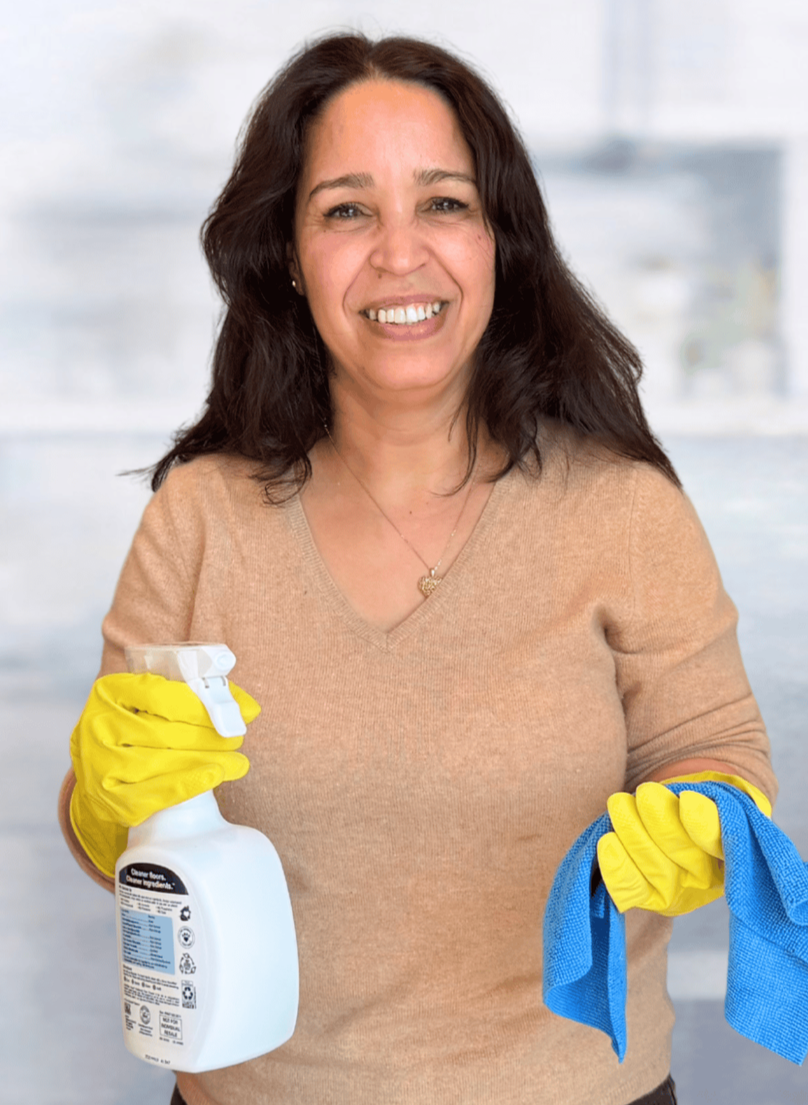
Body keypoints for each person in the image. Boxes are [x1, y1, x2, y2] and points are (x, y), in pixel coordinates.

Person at [59, 32, 776, 1105]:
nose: (400, 253)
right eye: (346, 209)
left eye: (442, 203)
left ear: (501, 243)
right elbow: (120, 839)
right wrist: (103, 804)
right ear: (289, 257)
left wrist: (702, 820)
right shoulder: (199, 516)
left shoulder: (622, 509)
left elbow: (717, 752)